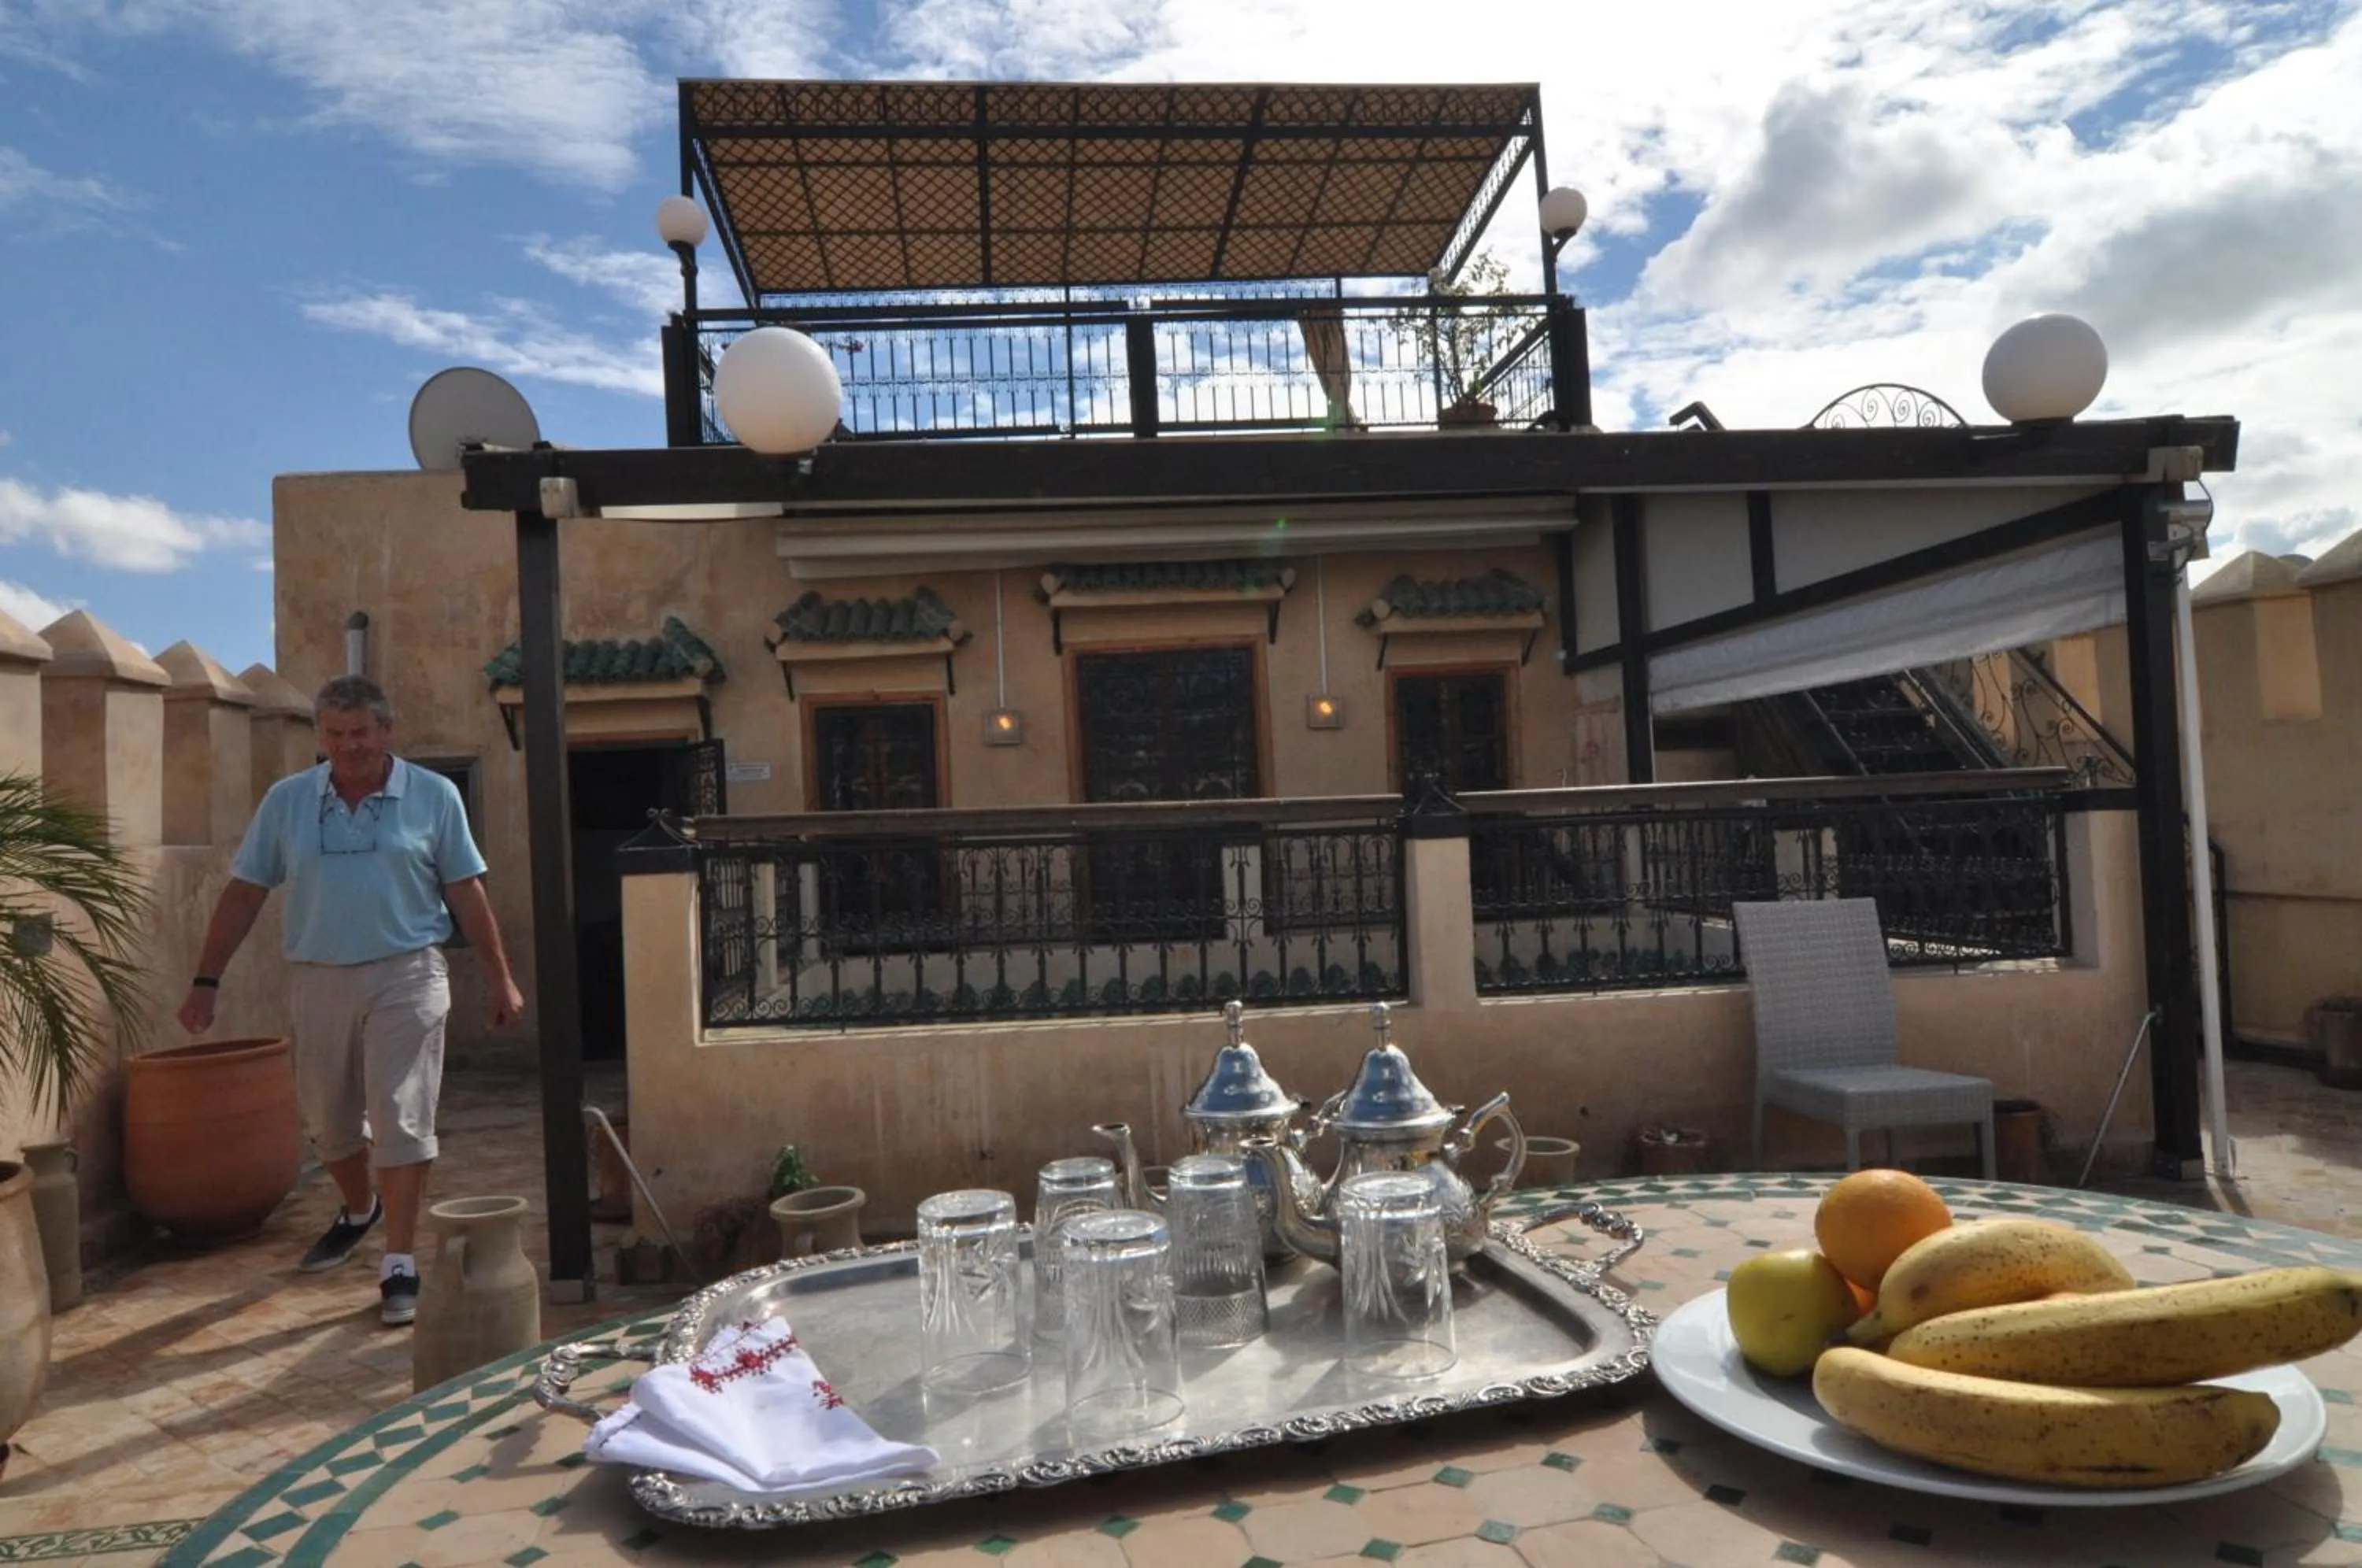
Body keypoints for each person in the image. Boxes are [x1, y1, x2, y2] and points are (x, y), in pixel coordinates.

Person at [179, 675, 524, 1326]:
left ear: (386, 730)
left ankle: (399, 1261)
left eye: (360, 733)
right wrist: (206, 979)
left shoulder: (432, 795)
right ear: (321, 736)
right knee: (329, 1124)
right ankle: (359, 1207)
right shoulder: (287, 802)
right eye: (334, 735)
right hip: (318, 977)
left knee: (400, 1114)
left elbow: (466, 892)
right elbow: (246, 892)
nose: (348, 747)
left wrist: (499, 976)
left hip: (408, 972)